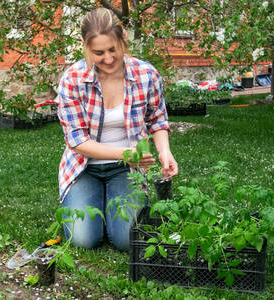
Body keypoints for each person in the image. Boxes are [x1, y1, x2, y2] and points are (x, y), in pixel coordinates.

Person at [57, 7, 178, 251]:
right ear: (85, 46)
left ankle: (106, 211)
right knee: (84, 240)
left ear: (123, 41)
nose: (109, 58)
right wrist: (124, 153)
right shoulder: (72, 79)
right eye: (98, 52)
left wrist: (164, 152)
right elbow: (77, 141)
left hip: (128, 170)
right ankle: (86, 204)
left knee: (126, 241)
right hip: (84, 169)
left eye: (113, 49)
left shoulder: (146, 74)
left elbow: (157, 120)